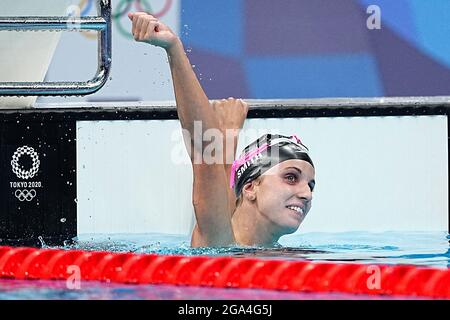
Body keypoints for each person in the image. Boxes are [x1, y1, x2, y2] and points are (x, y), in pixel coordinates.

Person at [128, 12, 316, 248]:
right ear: (250, 188)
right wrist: (173, 48)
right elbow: (206, 155)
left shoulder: (292, 258)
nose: (306, 194)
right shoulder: (218, 243)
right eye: (291, 177)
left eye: (310, 185)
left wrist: (228, 137)